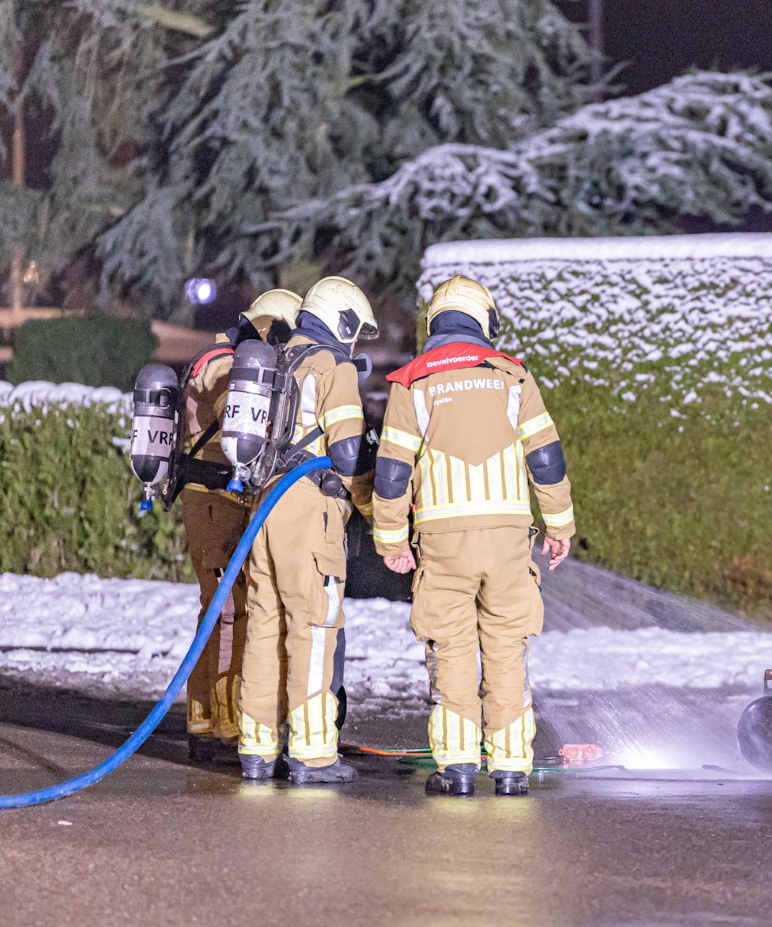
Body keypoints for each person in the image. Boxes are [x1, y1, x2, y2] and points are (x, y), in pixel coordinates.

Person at [372, 276, 574, 798]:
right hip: (508, 542)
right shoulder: (512, 377)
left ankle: (458, 768)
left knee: (452, 652)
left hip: (443, 544)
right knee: (507, 651)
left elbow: (393, 472)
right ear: (484, 321)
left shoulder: (412, 383)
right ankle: (511, 770)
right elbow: (546, 458)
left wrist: (391, 542)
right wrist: (559, 527)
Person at [235, 276, 376, 785]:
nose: (355, 344)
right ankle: (314, 754)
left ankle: (256, 748)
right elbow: (346, 453)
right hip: (308, 511)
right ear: (342, 321)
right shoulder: (332, 365)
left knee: (264, 628)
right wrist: (372, 509)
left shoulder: (277, 360)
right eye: (356, 332)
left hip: (263, 509)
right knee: (313, 628)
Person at [180, 289, 301, 765]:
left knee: (215, 611)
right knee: (232, 611)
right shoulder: (229, 367)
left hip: (208, 498)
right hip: (219, 500)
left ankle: (204, 719)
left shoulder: (215, 357)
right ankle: (228, 724)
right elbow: (244, 425)